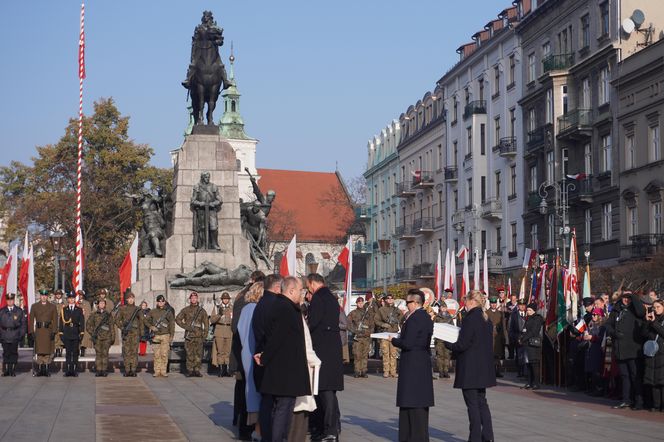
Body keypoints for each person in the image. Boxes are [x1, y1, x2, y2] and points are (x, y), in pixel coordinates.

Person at [255, 276, 311, 442]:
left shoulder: (283, 306)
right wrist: (264, 357)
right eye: (300, 290)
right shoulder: (285, 308)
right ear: (291, 290)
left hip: (285, 368)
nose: (302, 294)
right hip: (284, 369)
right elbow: (276, 339)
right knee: (283, 409)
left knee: (284, 408)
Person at [446, 290, 495, 442]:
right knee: (482, 403)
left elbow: (462, 344)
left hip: (470, 369)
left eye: (465, 301)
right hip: (483, 368)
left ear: (472, 302)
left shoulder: (470, 319)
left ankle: (474, 438)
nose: (464, 304)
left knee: (472, 406)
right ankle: (488, 437)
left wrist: (447, 343)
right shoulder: (486, 319)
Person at [389, 289, 434, 442]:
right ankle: (414, 436)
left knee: (412, 401)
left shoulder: (415, 318)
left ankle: (412, 437)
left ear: (415, 303)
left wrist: (394, 340)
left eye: (408, 302)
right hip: (421, 361)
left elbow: (408, 343)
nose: (406, 305)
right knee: (415, 402)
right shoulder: (426, 317)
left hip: (413, 362)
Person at [306, 273, 344, 442]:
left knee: (325, 392)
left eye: (308, 286)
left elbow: (313, 323)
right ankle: (330, 429)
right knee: (328, 392)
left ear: (313, 283)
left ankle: (329, 430)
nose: (308, 289)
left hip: (322, 350)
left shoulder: (318, 298)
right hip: (332, 351)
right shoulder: (330, 297)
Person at [252, 273, 283, 442]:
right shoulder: (275, 304)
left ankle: (266, 435)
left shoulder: (261, 303)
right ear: (277, 288)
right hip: (271, 359)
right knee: (271, 403)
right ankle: (270, 436)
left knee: (266, 400)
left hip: (262, 355)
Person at [605, 291, 646, 409]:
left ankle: (639, 401)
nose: (626, 300)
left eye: (629, 298)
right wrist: (613, 333)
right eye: (624, 298)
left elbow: (641, 312)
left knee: (635, 376)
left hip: (633, 348)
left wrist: (632, 296)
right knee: (624, 376)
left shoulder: (636, 309)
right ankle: (626, 399)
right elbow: (608, 325)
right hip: (620, 349)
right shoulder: (617, 309)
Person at [237, 282, 265, 441]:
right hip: (256, 353)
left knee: (249, 389)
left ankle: (249, 426)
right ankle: (257, 428)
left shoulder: (246, 309)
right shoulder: (256, 309)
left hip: (246, 352)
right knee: (257, 390)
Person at [176, 292, 209, 377]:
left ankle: (197, 370)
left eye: (195, 298)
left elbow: (206, 323)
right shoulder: (185, 310)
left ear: (197, 299)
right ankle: (190, 370)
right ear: (190, 299)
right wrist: (186, 327)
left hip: (198, 336)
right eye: (192, 298)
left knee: (198, 354)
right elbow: (178, 319)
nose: (194, 299)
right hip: (189, 336)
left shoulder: (201, 310)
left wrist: (205, 334)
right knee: (189, 353)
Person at [642, 299, 664, 412]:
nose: (656, 309)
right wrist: (647, 322)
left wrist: (654, 323)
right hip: (652, 353)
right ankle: (656, 404)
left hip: (662, 353)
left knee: (662, 381)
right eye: (654, 307)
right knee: (654, 380)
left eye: (658, 307)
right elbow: (644, 334)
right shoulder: (651, 319)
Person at [115, 292, 143, 377]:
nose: (131, 300)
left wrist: (141, 333)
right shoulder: (122, 309)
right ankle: (127, 370)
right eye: (129, 298)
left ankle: (133, 370)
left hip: (135, 333)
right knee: (126, 352)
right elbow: (116, 320)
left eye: (132, 298)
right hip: (126, 334)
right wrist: (122, 327)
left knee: (134, 352)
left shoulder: (138, 309)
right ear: (126, 299)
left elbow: (141, 321)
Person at [375, 294, 403, 378]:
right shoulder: (381, 310)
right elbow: (376, 320)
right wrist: (383, 324)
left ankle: (393, 372)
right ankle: (386, 371)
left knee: (393, 354)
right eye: (388, 298)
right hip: (384, 334)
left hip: (394, 334)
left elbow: (402, 320)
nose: (390, 300)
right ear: (385, 300)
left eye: (392, 298)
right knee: (385, 353)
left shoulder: (397, 310)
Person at [147, 294, 175, 377]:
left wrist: (171, 336)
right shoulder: (152, 311)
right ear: (157, 302)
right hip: (156, 335)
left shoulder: (168, 312)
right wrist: (151, 326)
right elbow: (145, 320)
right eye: (159, 301)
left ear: (164, 302)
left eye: (162, 301)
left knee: (164, 354)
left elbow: (172, 324)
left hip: (165, 335)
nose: (161, 303)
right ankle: (156, 371)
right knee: (156, 354)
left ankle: (163, 371)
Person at [31, 289, 58, 377]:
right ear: (40, 296)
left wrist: (54, 331)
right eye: (42, 295)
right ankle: (39, 369)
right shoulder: (34, 306)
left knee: (47, 351)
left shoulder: (52, 306)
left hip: (48, 330)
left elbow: (55, 320)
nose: (43, 297)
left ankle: (46, 369)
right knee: (39, 351)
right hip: (39, 331)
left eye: (45, 295)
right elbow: (31, 320)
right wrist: (31, 331)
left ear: (47, 297)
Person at [0, 293, 27, 376]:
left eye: (11, 300)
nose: (10, 301)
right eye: (8, 300)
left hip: (15, 334)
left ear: (14, 300)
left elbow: (23, 324)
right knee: (6, 353)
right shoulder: (2, 311)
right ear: (6, 300)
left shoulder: (19, 311)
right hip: (4, 334)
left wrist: (20, 335)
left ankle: (12, 370)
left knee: (13, 352)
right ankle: (7, 370)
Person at [518, 302, 544, 390]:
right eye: (527, 310)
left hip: (533, 344)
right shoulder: (528, 318)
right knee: (528, 364)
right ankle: (529, 382)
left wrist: (523, 338)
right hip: (527, 344)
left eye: (529, 310)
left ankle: (536, 383)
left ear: (534, 310)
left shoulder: (537, 319)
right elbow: (524, 329)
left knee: (534, 364)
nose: (527, 311)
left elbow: (534, 331)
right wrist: (520, 337)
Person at [60, 291, 85, 377]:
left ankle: (74, 370)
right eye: (70, 298)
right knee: (67, 353)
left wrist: (81, 333)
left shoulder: (79, 310)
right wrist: (61, 333)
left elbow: (82, 322)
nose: (71, 300)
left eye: (73, 298)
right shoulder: (64, 309)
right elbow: (61, 322)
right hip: (67, 333)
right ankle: (67, 370)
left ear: (75, 299)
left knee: (75, 353)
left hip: (75, 333)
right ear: (68, 300)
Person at [348, 297, 374, 378]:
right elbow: (348, 323)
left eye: (362, 303)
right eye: (359, 303)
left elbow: (372, 325)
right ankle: (357, 371)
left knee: (365, 355)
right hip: (358, 338)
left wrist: (370, 333)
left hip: (366, 337)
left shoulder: (368, 313)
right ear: (356, 303)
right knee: (357, 355)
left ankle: (363, 371)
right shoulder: (353, 313)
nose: (360, 304)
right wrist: (354, 331)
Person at [86, 299, 113, 377]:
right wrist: (93, 332)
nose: (101, 304)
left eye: (103, 303)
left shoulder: (108, 314)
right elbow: (88, 325)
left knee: (105, 354)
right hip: (97, 338)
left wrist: (112, 337)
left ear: (105, 305)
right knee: (98, 354)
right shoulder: (94, 314)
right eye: (100, 303)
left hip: (106, 338)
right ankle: (98, 370)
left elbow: (111, 327)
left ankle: (104, 370)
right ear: (98, 305)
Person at [584, 308, 607, 396]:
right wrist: (586, 336)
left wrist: (592, 338)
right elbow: (588, 334)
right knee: (591, 370)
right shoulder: (591, 324)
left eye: (595, 315)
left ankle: (599, 389)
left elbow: (602, 339)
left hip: (598, 349)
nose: (593, 316)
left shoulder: (602, 326)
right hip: (590, 348)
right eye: (593, 314)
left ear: (600, 316)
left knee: (597, 370)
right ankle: (592, 388)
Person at [211, 292, 233, 377]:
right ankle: (220, 370)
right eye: (224, 299)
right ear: (222, 299)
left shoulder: (232, 308)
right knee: (220, 351)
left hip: (229, 330)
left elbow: (234, 319)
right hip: (219, 330)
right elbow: (212, 320)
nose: (225, 300)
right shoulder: (217, 308)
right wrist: (219, 314)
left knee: (227, 351)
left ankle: (227, 369)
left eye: (227, 299)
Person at [486, 297, 507, 378]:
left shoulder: (500, 313)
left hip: (498, 338)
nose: (493, 305)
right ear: (490, 303)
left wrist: (504, 337)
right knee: (490, 356)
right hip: (489, 338)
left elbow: (503, 326)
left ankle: (498, 371)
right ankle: (490, 372)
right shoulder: (486, 313)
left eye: (495, 303)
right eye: (492, 303)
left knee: (498, 356)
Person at [433, 300, 454, 379]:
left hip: (447, 339)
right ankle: (441, 371)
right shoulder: (437, 317)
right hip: (439, 340)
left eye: (445, 307)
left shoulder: (449, 317)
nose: (443, 309)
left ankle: (446, 371)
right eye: (442, 307)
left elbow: (452, 327)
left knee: (447, 356)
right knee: (440, 356)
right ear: (440, 308)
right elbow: (434, 327)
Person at [508, 299, 527, 377]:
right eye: (520, 305)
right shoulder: (514, 314)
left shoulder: (528, 313)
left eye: (523, 305)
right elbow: (510, 327)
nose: (522, 306)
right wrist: (514, 337)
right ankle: (520, 372)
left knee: (526, 356)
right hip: (517, 338)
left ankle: (525, 372)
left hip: (526, 338)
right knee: (519, 355)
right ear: (518, 306)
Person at [76, 290, 93, 357]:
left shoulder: (87, 303)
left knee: (84, 338)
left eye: (81, 295)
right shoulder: (76, 303)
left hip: (84, 323)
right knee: (77, 337)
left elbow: (88, 314)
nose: (80, 296)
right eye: (79, 295)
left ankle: (82, 350)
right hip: (77, 323)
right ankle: (77, 351)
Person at [51, 289, 65, 358]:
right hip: (55, 322)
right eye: (57, 294)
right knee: (56, 337)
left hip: (63, 323)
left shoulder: (64, 304)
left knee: (61, 337)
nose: (58, 295)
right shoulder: (52, 303)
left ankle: (60, 350)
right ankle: (56, 350)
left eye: (59, 294)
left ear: (61, 295)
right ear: (55, 295)